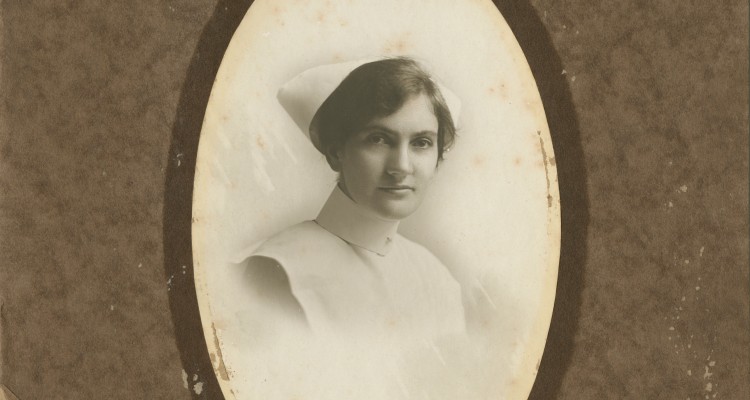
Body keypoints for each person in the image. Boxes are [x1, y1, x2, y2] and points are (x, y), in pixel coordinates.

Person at [240, 57, 465, 341]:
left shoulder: (437, 279)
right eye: (379, 139)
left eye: (421, 143)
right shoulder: (282, 269)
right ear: (336, 152)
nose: (402, 166)